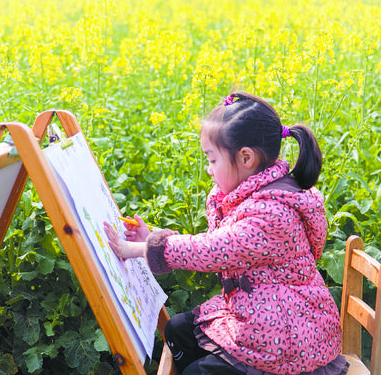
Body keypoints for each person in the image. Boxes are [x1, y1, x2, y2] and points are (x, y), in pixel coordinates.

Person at [103, 91, 347, 375]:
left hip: (289, 339)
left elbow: (211, 250)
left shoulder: (271, 213)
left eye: (212, 160)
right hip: (263, 317)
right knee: (177, 330)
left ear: (246, 158)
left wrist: (135, 249)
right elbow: (216, 243)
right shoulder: (252, 194)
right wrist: (152, 239)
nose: (209, 170)